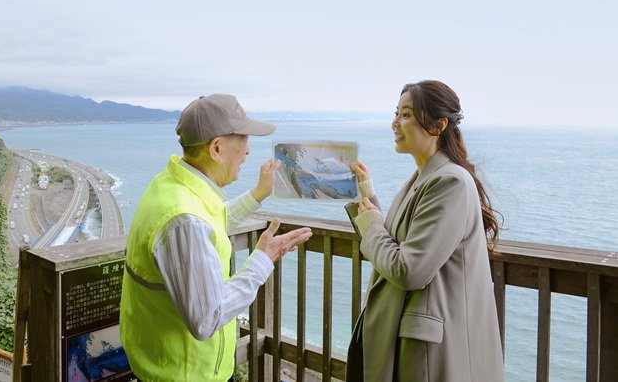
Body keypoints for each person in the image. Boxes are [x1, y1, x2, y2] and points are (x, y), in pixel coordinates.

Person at [120, 94, 313, 382]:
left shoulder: (172, 185)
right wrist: (262, 260)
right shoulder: (183, 219)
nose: (248, 151)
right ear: (217, 148)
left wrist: (258, 194)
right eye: (244, 140)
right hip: (183, 375)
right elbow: (206, 318)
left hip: (164, 365)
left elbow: (210, 220)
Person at [346, 80, 504, 382]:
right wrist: (368, 198)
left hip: (429, 354)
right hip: (412, 343)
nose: (395, 122)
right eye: (396, 113)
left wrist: (372, 226)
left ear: (438, 125)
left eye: (406, 114)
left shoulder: (450, 182)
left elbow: (409, 269)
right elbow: (394, 241)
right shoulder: (424, 178)